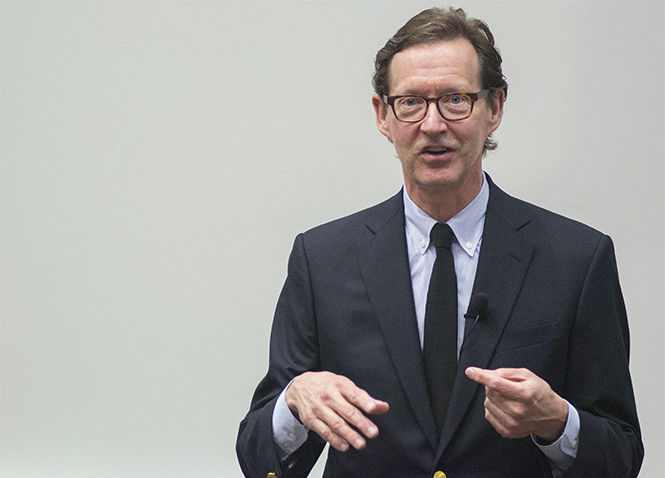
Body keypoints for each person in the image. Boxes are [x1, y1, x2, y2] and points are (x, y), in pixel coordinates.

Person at [236, 7, 643, 478]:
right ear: (383, 115)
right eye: (410, 102)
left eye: (455, 99)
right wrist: (293, 403)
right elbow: (257, 458)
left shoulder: (577, 259)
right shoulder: (322, 259)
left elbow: (622, 454)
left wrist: (557, 423)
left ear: (495, 108)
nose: (432, 124)